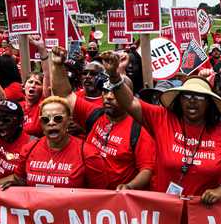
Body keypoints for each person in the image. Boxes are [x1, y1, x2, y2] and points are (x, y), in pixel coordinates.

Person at [101, 52, 221, 224]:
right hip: (162, 220)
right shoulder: (162, 119)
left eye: (199, 97)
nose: (192, 102)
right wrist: (114, 76)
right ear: (179, 99)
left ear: (210, 102)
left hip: (202, 223)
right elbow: (130, 103)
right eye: (187, 96)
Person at [51, 47, 156, 190]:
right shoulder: (95, 114)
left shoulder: (139, 129)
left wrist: (129, 187)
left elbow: (147, 169)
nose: (109, 96)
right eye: (106, 91)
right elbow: (65, 95)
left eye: (115, 92)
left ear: (128, 96)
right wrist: (57, 65)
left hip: (115, 203)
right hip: (88, 194)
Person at [0, 96, 107, 189]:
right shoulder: (29, 149)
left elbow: (99, 196)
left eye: (58, 118)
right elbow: (19, 179)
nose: (51, 123)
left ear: (69, 120)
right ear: (41, 123)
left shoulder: (88, 154)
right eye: (45, 119)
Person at [20, 38, 51, 138]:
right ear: (24, 86)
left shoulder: (42, 104)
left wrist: (42, 50)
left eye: (37, 83)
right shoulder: (17, 106)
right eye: (30, 82)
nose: (33, 85)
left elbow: (47, 74)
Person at [0, 100, 31, 180]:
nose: (0, 123)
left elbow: (22, 178)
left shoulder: (31, 145)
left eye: (6, 120)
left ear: (20, 122)